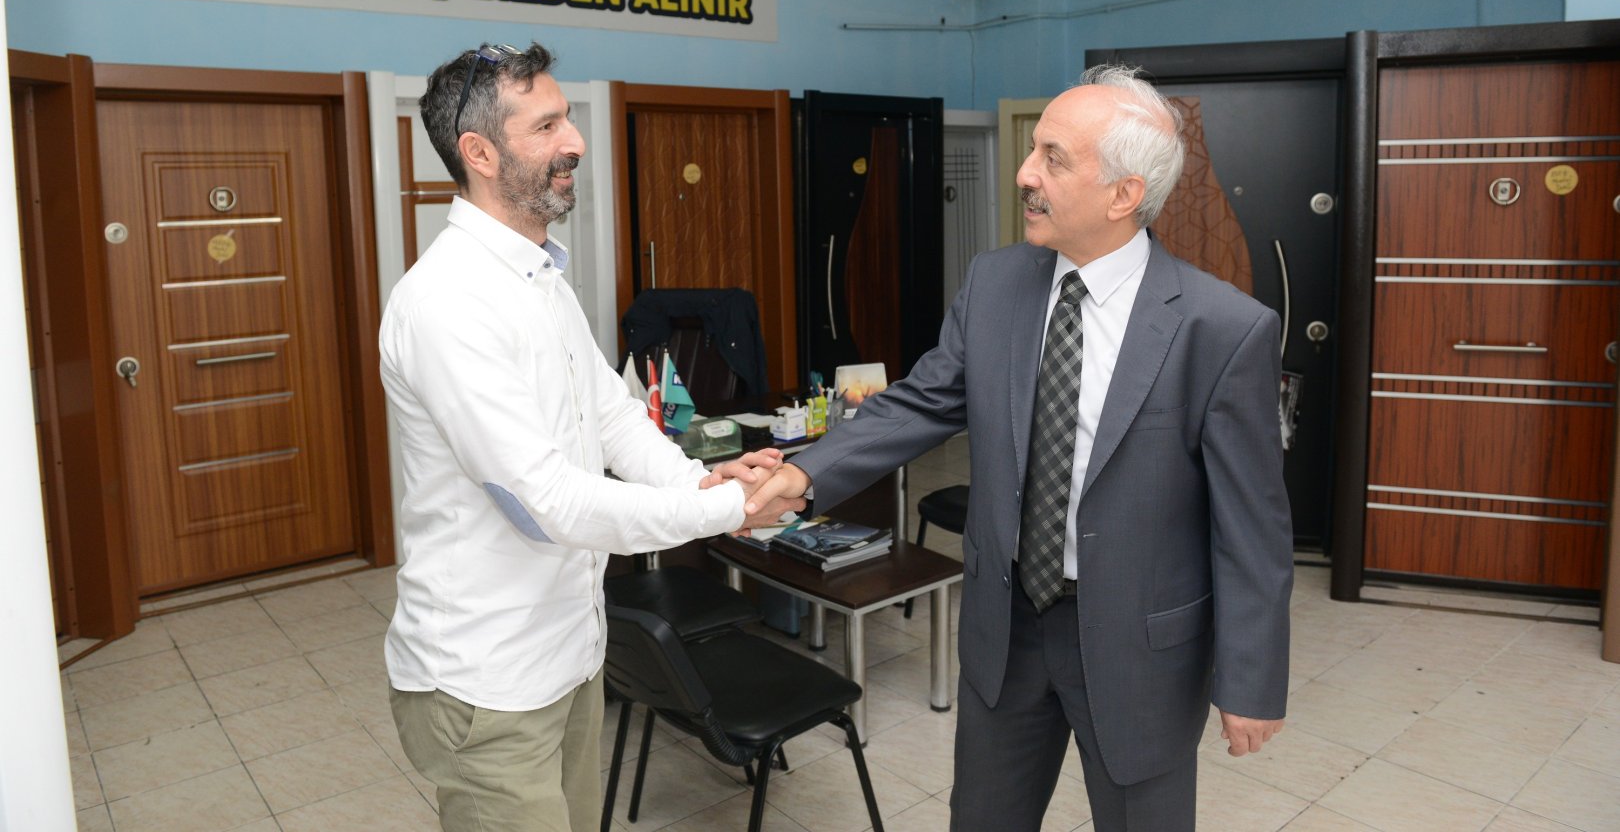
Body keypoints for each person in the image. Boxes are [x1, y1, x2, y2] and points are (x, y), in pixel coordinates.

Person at [721, 64, 1292, 831]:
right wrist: (802, 473)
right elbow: (924, 401)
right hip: (1007, 626)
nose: (1025, 173)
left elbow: (1252, 527)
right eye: (1033, 151)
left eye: (1053, 158)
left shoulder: (1221, 328)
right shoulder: (995, 283)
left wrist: (1252, 679)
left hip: (1139, 649)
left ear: (1123, 194)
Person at [379, 41, 796, 832]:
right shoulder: (446, 302)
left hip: (568, 653)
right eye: (546, 126)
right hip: (487, 680)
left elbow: (612, 416)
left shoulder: (540, 278)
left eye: (567, 118)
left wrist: (701, 483)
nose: (574, 141)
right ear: (480, 154)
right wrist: (725, 511)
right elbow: (544, 503)